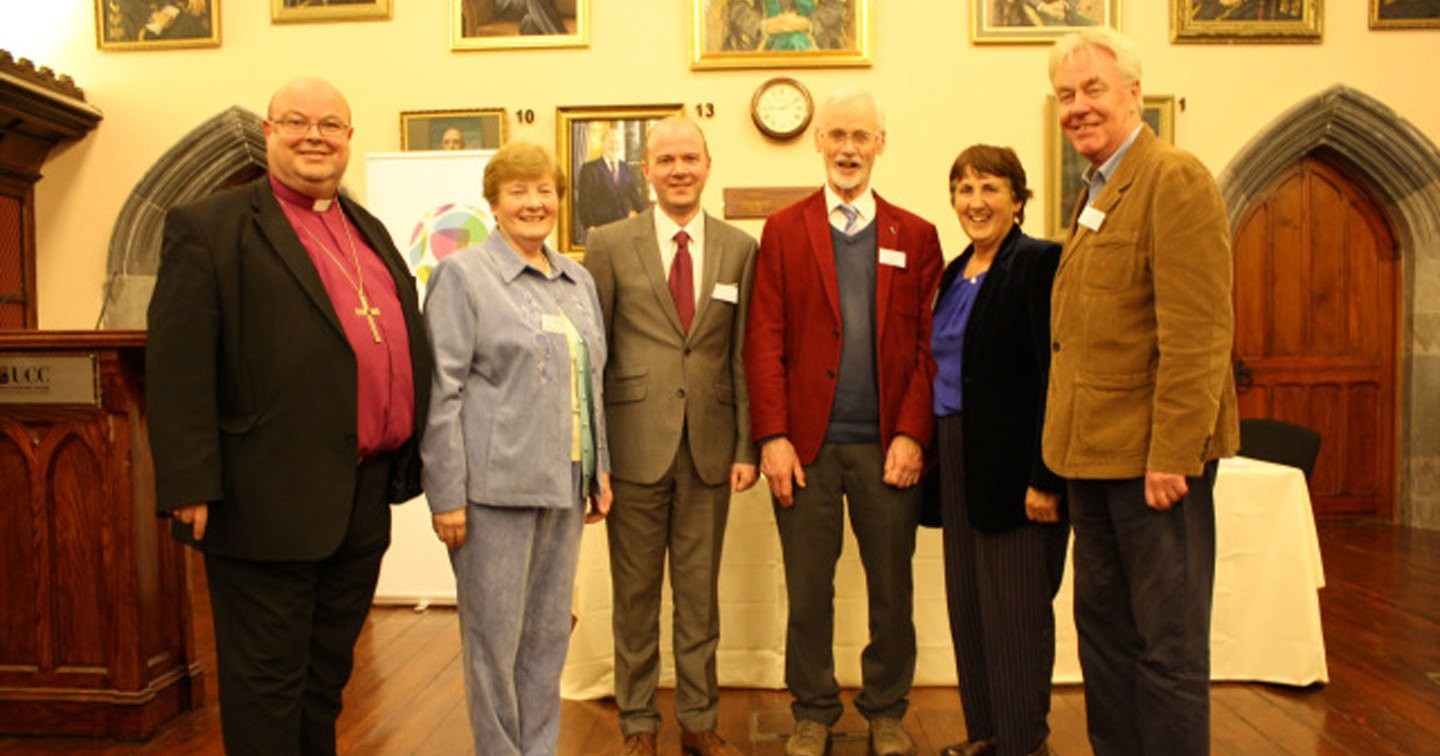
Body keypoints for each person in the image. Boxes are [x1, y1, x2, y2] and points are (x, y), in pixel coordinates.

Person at [146, 77, 431, 756]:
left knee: (326, 678)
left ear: (349, 140)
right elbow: (179, 363)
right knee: (266, 685)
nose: (315, 136)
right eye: (297, 122)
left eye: (331, 125)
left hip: (361, 493)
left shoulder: (367, 227)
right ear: (269, 132)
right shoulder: (210, 227)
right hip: (262, 496)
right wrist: (189, 481)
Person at [1044, 28, 1239, 756]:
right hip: (1092, 461)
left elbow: (1197, 333)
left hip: (1154, 469)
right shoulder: (1095, 191)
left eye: (1093, 89)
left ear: (1134, 92)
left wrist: (1174, 455)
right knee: (1105, 639)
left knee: (1168, 647)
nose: (1078, 107)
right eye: (1066, 95)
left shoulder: (1174, 177)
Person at [745, 88, 942, 756]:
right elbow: (763, 339)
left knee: (892, 589)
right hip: (806, 449)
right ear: (818, 143)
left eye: (861, 135)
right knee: (808, 589)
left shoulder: (915, 235)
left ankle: (886, 708)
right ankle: (814, 708)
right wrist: (772, 436)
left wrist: (914, 433)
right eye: (836, 135)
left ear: (881, 143)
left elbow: (930, 348)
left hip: (889, 447)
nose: (848, 148)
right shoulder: (783, 230)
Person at [421, 140, 613, 756]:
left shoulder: (577, 278)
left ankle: (539, 749)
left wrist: (598, 469)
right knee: (493, 642)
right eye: (518, 192)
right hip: (492, 494)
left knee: (549, 635)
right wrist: (446, 495)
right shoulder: (464, 275)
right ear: (495, 203)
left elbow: (593, 381)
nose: (534, 203)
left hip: (564, 486)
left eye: (545, 191)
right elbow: (441, 390)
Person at [583, 117, 758, 756]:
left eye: (691, 157)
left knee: (698, 598)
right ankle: (637, 725)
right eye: (666, 160)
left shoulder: (740, 248)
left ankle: (699, 720)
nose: (679, 169)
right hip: (632, 451)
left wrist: (746, 448)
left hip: (711, 452)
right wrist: (594, 461)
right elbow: (593, 357)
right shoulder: (608, 243)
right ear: (646, 171)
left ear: (708, 165)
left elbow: (742, 356)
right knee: (633, 598)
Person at [931, 145, 1067, 756]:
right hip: (957, 456)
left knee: (1016, 613)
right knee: (970, 606)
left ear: (1018, 198)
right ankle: (985, 732)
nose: (975, 201)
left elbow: (1053, 374)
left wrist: (1046, 476)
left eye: (989, 188)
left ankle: (1022, 741)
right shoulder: (953, 272)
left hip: (1016, 467)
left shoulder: (1040, 264)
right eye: (963, 188)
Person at [577, 128, 648, 244]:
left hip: (622, 227)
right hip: (599, 228)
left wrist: (646, 219)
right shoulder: (589, 168)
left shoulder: (626, 168)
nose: (614, 145)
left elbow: (636, 198)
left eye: (617, 142)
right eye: (611, 141)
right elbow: (583, 201)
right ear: (603, 143)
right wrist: (589, 226)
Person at [722, 0, 849, 51]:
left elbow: (834, 6)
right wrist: (764, 26)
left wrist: (807, 23)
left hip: (818, 42)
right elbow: (736, 6)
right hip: (758, 41)